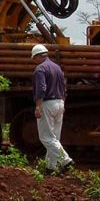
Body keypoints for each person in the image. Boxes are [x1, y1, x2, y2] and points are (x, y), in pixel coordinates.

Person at [31, 43, 73, 173]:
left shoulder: (40, 69)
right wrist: (63, 103)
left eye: (34, 59)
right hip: (60, 103)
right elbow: (64, 87)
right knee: (54, 137)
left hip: (47, 104)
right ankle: (51, 167)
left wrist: (38, 106)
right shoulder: (57, 68)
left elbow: (41, 88)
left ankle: (66, 160)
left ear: (38, 56)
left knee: (46, 137)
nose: (34, 62)